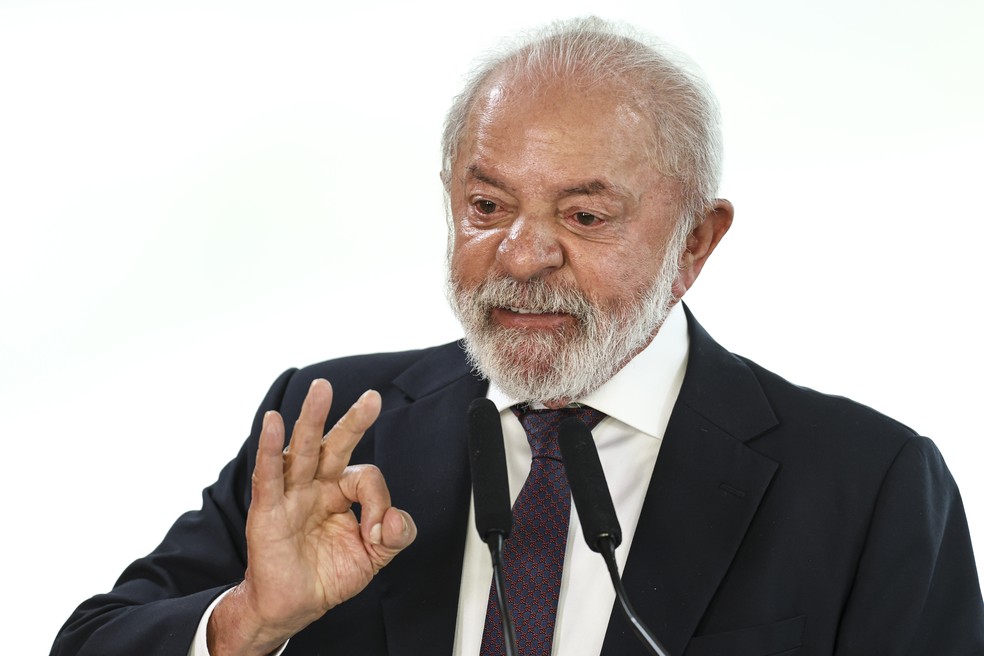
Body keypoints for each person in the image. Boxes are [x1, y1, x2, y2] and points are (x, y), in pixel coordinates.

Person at [51, 16, 983, 656]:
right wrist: (248, 622)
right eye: (488, 206)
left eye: (584, 216)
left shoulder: (869, 484)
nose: (523, 255)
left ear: (695, 241)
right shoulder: (331, 426)